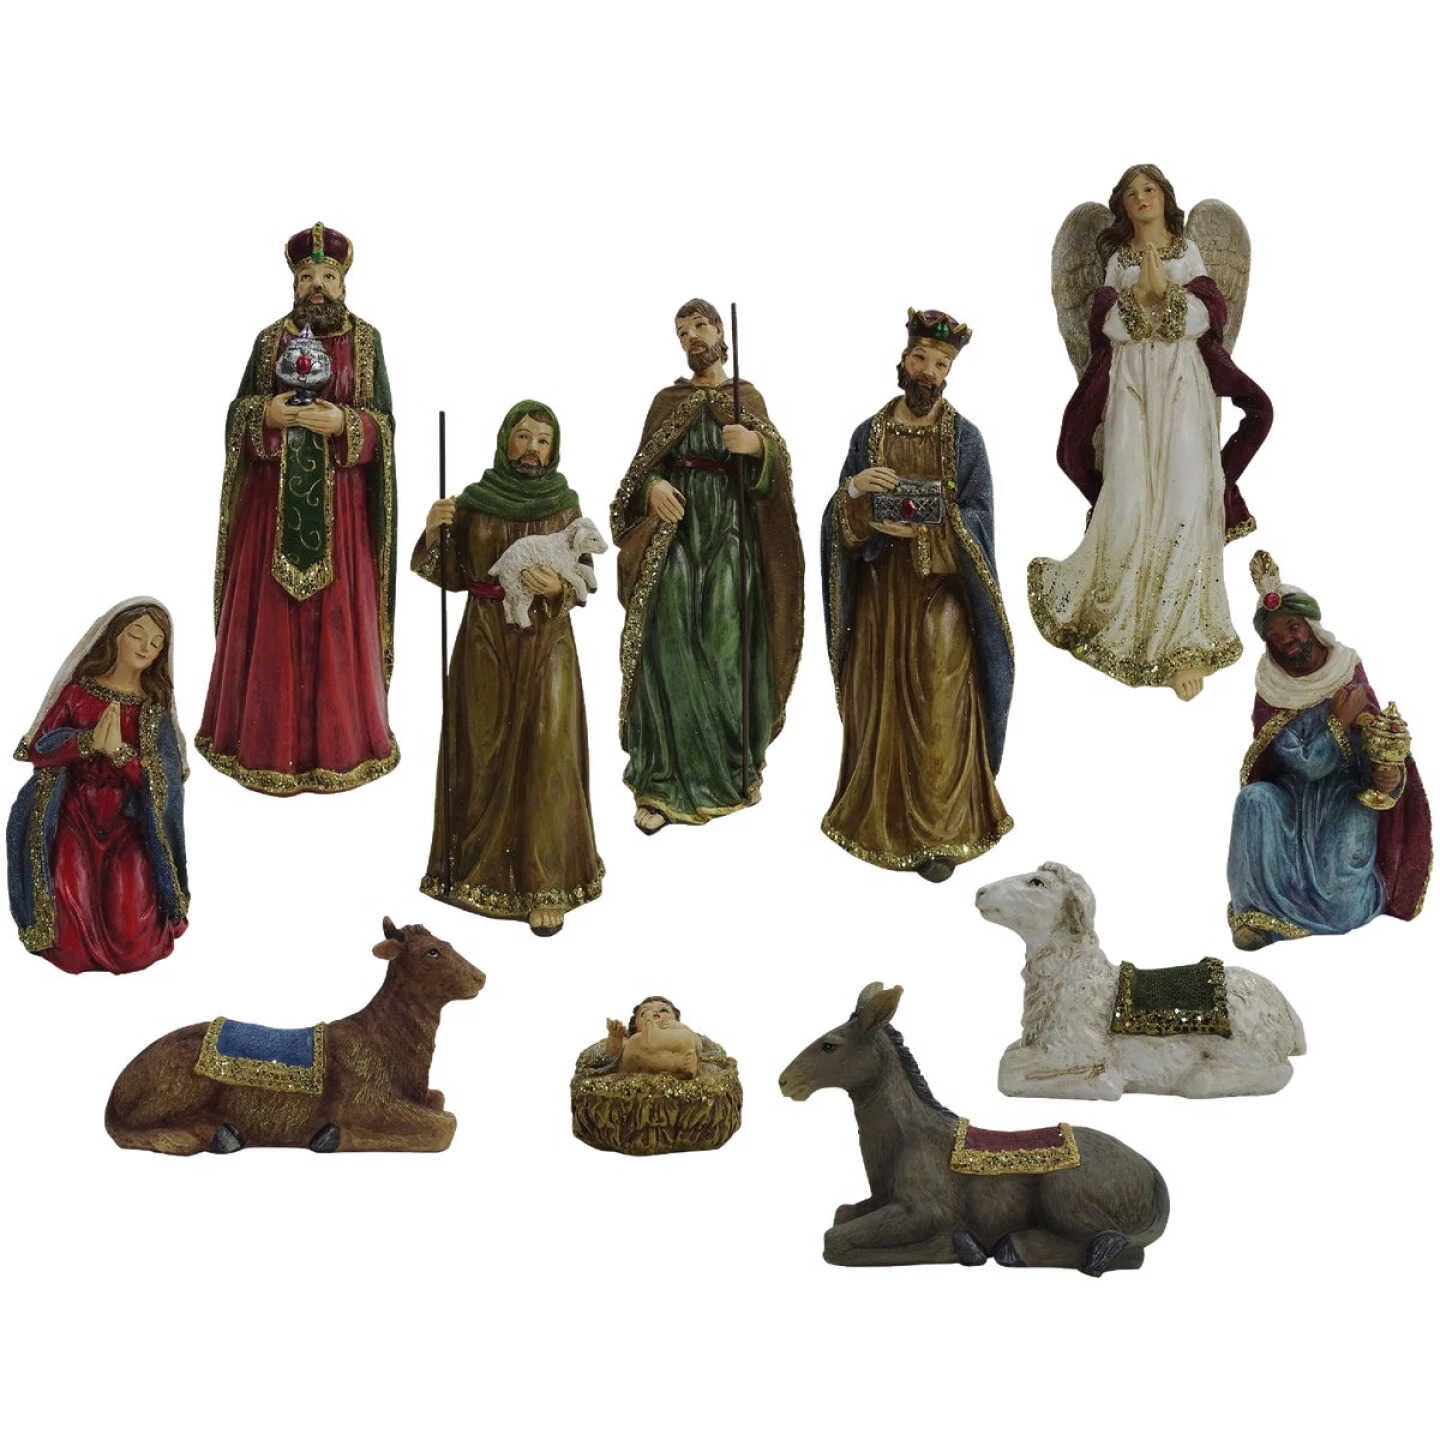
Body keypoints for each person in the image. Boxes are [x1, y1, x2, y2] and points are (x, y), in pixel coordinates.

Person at [1031, 164, 1273, 700]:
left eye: (1150, 189)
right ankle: (1120, 619)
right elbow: (1103, 327)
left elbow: (1210, 316)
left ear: (1165, 197)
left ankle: (1182, 640)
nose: (1142, 198)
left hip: (1184, 387)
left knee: (1186, 495)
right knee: (1131, 497)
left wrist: (1166, 293)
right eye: (1131, 193)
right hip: (1132, 389)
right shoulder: (1118, 261)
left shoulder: (1188, 251)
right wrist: (1137, 298)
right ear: (1122, 205)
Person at [197, 222, 398, 794]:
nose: (317, 286)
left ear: (344, 284)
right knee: (268, 619)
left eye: (327, 276)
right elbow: (237, 417)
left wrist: (346, 424)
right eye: (307, 276)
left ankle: (344, 743)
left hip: (343, 516)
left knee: (339, 622)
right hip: (270, 511)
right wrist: (265, 415)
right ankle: (261, 741)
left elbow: (385, 428)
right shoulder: (269, 342)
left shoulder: (366, 343)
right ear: (293, 283)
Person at [820, 309, 1014, 881]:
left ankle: (942, 832)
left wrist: (930, 529)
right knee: (876, 704)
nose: (929, 372)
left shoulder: (965, 438)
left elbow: (980, 518)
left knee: (939, 712)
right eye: (921, 359)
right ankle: (875, 820)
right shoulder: (870, 433)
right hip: (881, 598)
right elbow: (837, 521)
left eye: (941, 364)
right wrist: (857, 496)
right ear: (903, 362)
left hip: (941, 597)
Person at [611, 299, 803, 832]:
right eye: (682, 332)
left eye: (700, 326)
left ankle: (732, 770)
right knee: (668, 644)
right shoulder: (666, 401)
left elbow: (778, 480)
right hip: (675, 539)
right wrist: (653, 488)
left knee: (726, 646)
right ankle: (661, 783)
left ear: (720, 331)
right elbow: (637, 476)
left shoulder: (747, 398)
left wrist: (758, 447)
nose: (692, 337)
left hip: (730, 537)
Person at [414, 402, 604, 937]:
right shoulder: (475, 501)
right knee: (482, 749)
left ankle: (547, 882)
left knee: (549, 748)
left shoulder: (565, 505)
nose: (532, 449)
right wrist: (434, 530)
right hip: (485, 637)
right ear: (505, 440)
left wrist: (560, 586)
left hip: (548, 639)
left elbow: (585, 577)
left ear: (554, 449)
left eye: (543, 440)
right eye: (523, 436)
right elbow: (451, 574)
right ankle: (471, 873)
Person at [1227, 553, 1431, 948]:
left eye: (1293, 627)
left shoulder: (1346, 671)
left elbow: (1379, 747)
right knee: (1253, 801)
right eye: (1276, 636)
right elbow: (1303, 763)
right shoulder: (1272, 689)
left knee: (1342, 906)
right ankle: (1257, 916)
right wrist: (1337, 721)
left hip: (1345, 796)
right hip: (1291, 800)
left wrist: (1387, 778)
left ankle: (1358, 899)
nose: (1287, 640)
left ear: (1311, 627)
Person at [8, 599, 188, 974]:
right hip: (73, 815)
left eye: (157, 643)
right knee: (69, 939)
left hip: (128, 822)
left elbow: (164, 782)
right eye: (137, 634)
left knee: (136, 941)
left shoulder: (154, 708)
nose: (146, 646)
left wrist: (121, 755)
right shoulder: (78, 693)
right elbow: (40, 750)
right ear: (115, 636)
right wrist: (87, 742)